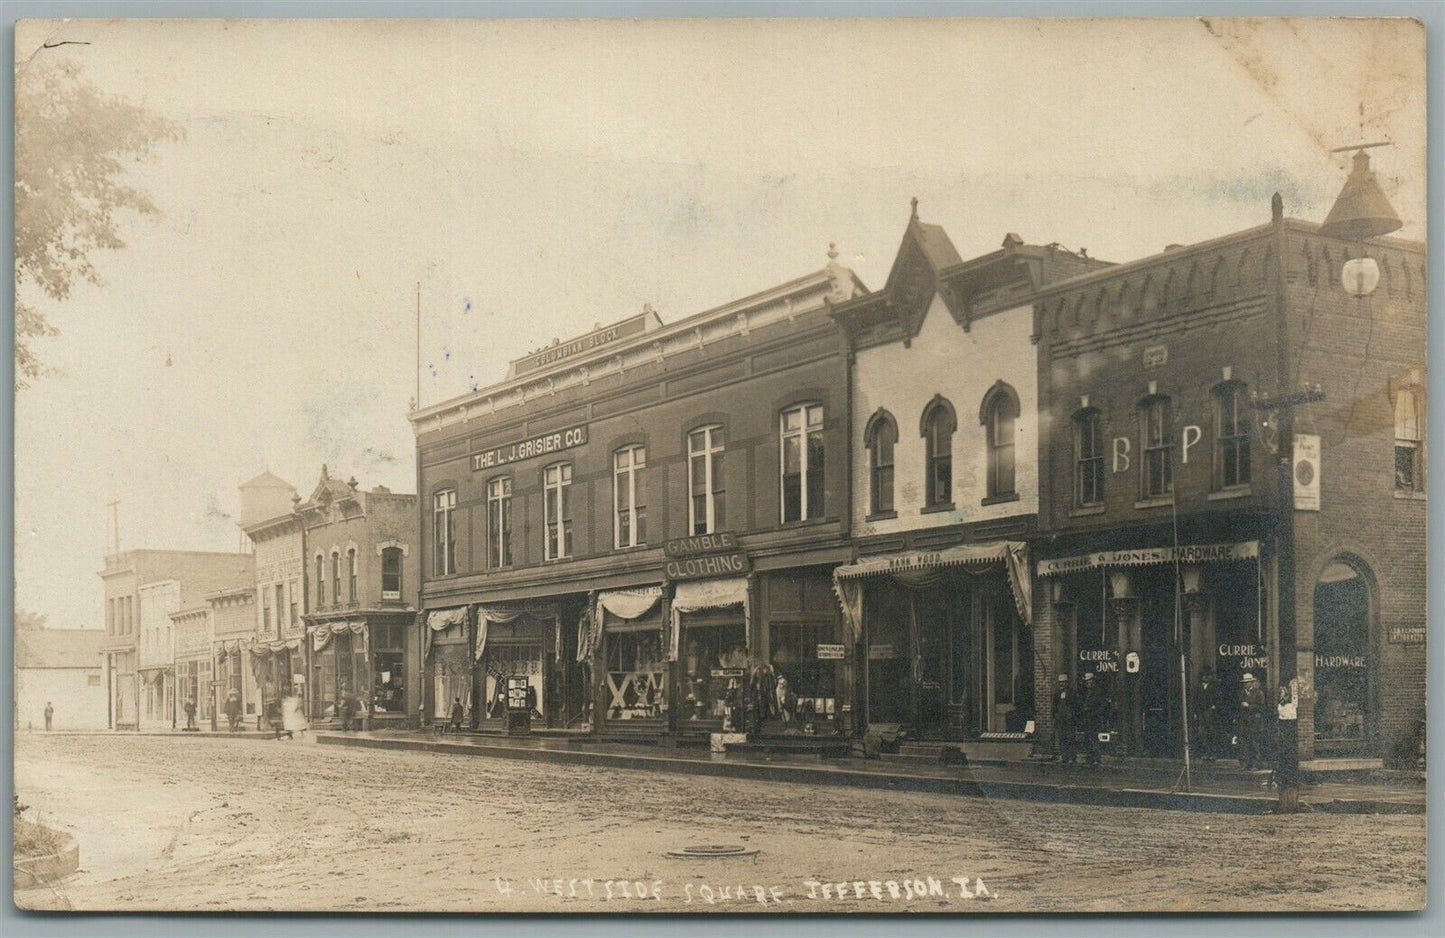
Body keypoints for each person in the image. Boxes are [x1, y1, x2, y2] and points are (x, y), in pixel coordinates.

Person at [1237, 672, 1267, 770]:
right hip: (1243, 721)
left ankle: (1255, 764)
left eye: (1248, 682)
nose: (1246, 684)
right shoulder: (1242, 693)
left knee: (1254, 742)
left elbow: (1262, 707)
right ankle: (1245, 764)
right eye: (1244, 682)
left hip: (1254, 721)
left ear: (1252, 682)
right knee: (1243, 742)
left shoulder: (1258, 693)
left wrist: (1249, 706)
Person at [1081, 671, 1110, 766]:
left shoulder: (1098, 691)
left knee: (1094, 738)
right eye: (1087, 682)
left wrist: (1095, 713)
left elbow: (1103, 705)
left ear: (1093, 681)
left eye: (1090, 682)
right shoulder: (1085, 692)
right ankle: (1090, 758)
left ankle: (1096, 759)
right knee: (1087, 738)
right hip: (1087, 718)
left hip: (1095, 718)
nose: (1088, 683)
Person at [1192, 669, 1220, 761]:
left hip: (1210, 713)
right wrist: (1195, 713)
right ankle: (1205, 752)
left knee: (1212, 732)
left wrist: (1214, 706)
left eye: (1208, 675)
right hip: (1201, 713)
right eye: (1204, 675)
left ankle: (1213, 753)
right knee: (1202, 733)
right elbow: (1195, 700)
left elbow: (1218, 698)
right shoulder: (1198, 687)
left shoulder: (1214, 687)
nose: (1206, 677)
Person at [1052, 675, 1078, 764]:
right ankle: (1064, 757)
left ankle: (1072, 757)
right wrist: (1055, 716)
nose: (1062, 684)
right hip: (1060, 720)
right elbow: (1054, 706)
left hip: (1069, 720)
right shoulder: (1057, 694)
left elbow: (1076, 706)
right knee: (1062, 738)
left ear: (1067, 683)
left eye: (1064, 682)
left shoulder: (1072, 693)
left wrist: (1072, 716)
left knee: (1070, 738)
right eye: (1060, 683)